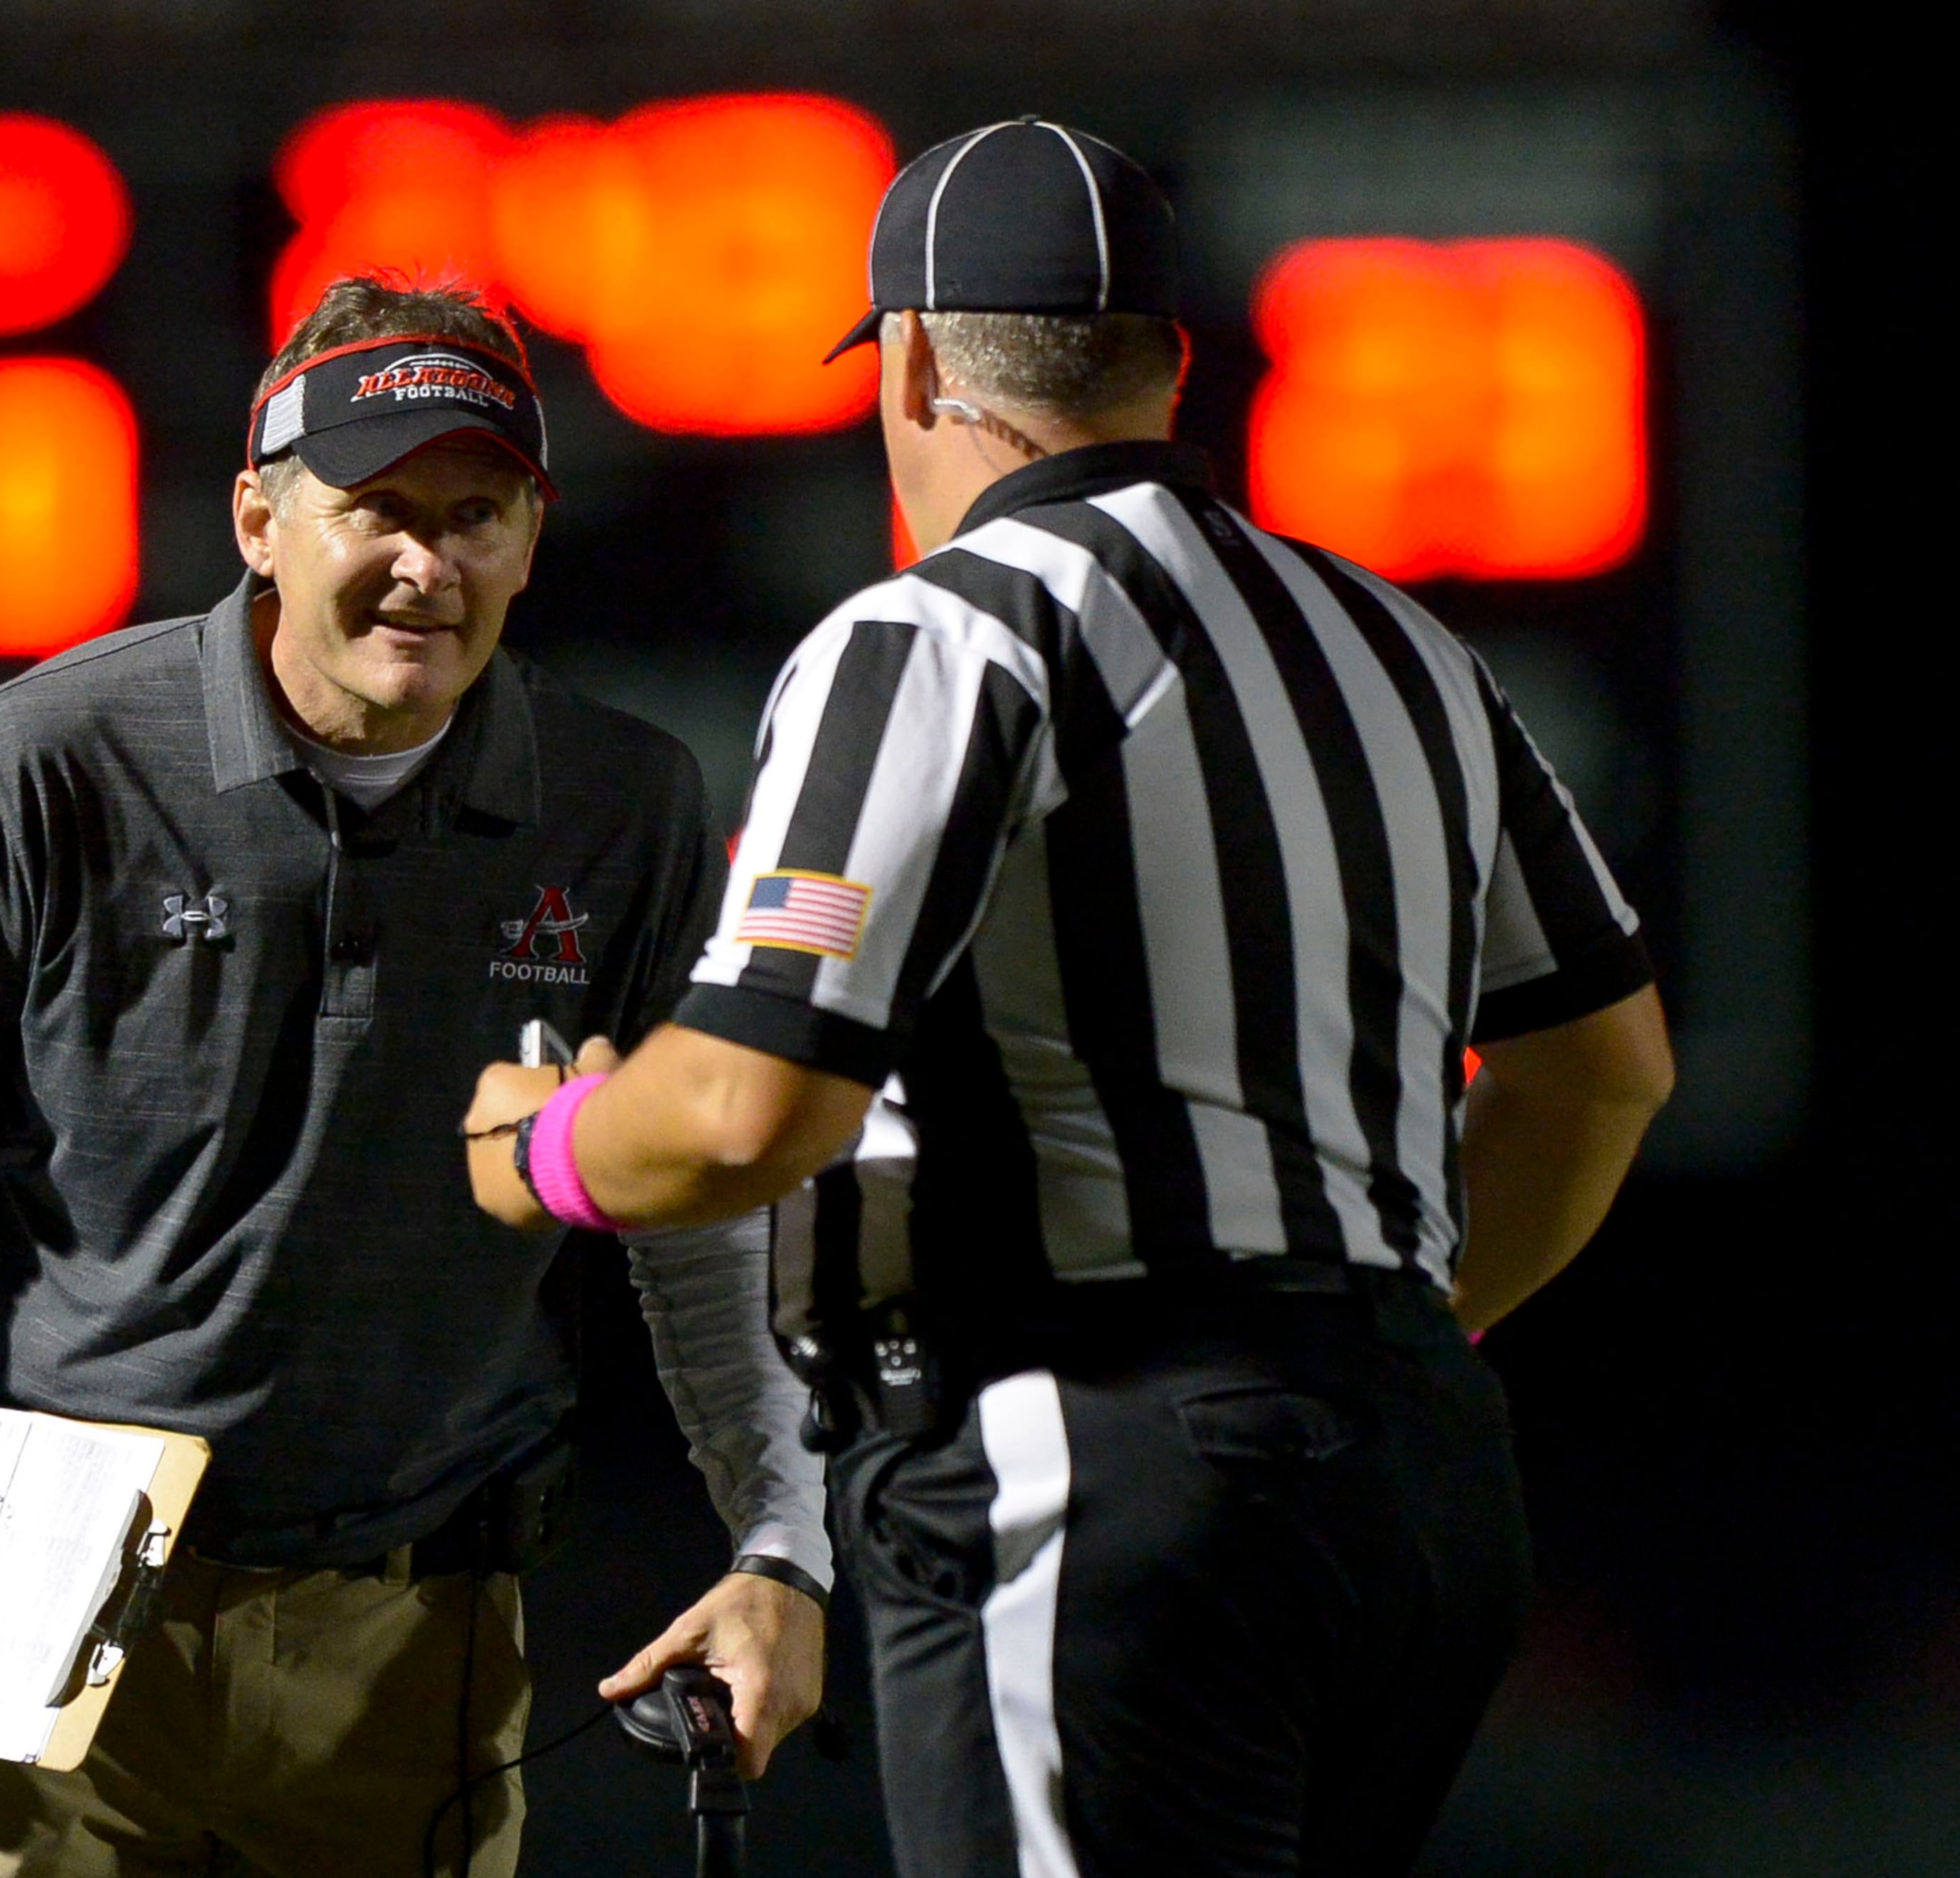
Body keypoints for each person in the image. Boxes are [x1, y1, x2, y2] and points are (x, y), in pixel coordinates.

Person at [468, 122, 1675, 1877]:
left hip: (1096, 1456)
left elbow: (748, 1105)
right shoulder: (1403, 646)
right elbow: (1605, 1069)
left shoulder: (942, 634)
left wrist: (547, 1149)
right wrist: (1376, 1329)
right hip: (1416, 1477)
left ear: (919, 360)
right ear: (1171, 367)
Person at [0, 275, 828, 1878]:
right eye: (376, 508)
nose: (427, 563)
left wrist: (781, 1541)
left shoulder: (623, 799)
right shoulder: (47, 758)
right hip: (40, 1616)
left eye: (475, 513)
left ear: (533, 536)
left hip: (418, 1634)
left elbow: (700, 1222)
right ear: (259, 517)